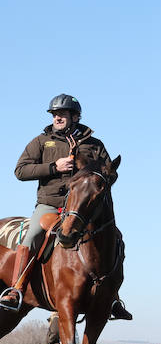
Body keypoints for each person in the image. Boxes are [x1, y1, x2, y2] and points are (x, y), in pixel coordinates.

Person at [4, 95, 133, 319]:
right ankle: (16, 289)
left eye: (62, 114)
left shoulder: (95, 145)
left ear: (75, 116)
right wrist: (55, 166)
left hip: (84, 209)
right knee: (33, 234)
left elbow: (109, 173)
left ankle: (112, 298)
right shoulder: (42, 141)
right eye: (54, 114)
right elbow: (20, 171)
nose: (57, 117)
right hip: (51, 205)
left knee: (115, 239)